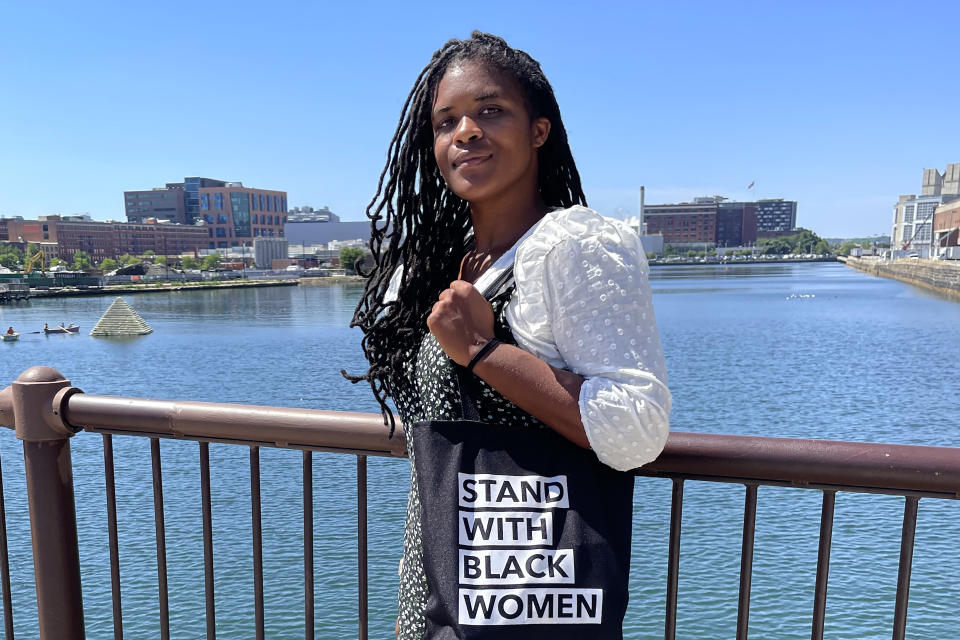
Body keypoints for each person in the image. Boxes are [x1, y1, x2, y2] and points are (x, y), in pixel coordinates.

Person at [346, 32, 672, 639]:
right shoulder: (456, 261)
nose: (465, 131)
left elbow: (636, 428)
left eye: (490, 111)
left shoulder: (570, 245)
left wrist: (480, 352)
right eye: (446, 122)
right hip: (443, 588)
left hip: (524, 597)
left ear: (538, 132)